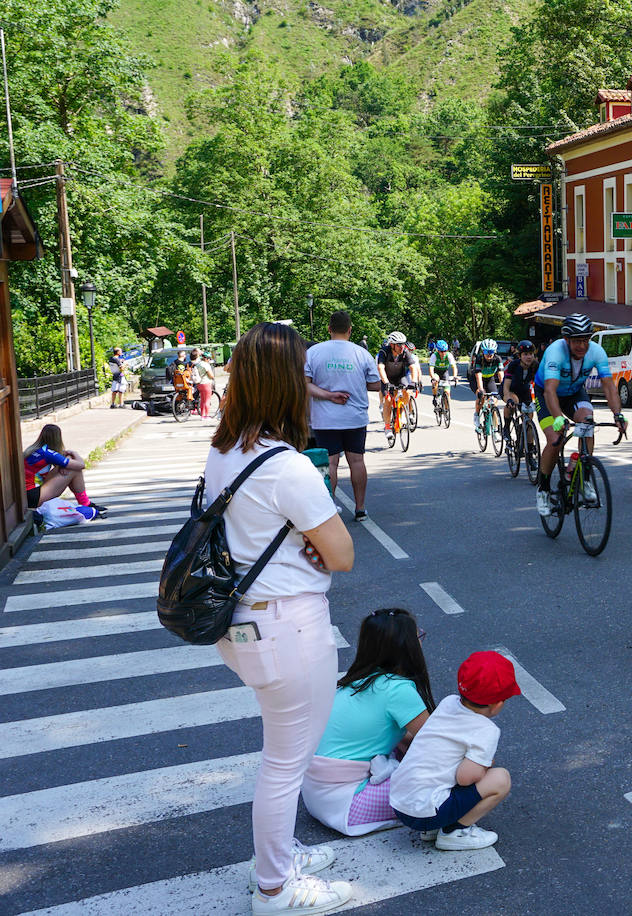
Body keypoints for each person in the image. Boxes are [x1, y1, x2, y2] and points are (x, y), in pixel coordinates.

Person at [206, 321, 355, 915]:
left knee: (281, 752)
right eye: (301, 373)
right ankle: (274, 886)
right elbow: (342, 554)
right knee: (285, 761)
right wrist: (311, 538)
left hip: (245, 623)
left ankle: (280, 855)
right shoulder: (287, 466)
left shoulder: (224, 449)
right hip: (288, 627)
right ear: (286, 384)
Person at [301, 608, 435, 837]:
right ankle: (451, 829)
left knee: (406, 746)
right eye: (417, 637)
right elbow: (438, 742)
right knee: (448, 782)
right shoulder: (398, 689)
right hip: (348, 805)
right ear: (406, 647)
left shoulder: (355, 681)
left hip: (316, 796)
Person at [388, 651, 519, 851]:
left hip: (400, 803)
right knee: (501, 779)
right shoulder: (486, 730)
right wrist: (484, 765)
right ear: (498, 704)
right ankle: (454, 831)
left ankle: (431, 829)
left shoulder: (448, 702)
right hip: (424, 812)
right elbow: (465, 778)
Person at [533, 314, 628, 517]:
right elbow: (550, 391)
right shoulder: (555, 352)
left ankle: (583, 477)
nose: (582, 346)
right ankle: (543, 489)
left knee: (587, 422)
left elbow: (609, 385)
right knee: (555, 439)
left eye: (585, 340)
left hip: (574, 392)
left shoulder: (596, 352)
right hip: (547, 394)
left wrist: (618, 414)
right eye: (577, 341)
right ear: (566, 340)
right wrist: (558, 417)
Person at [306, 310, 382, 522]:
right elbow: (376, 385)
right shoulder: (361, 353)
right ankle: (360, 508)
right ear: (350, 330)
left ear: (329, 328)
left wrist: (329, 395)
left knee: (330, 463)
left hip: (324, 418)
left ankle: (328, 509)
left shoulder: (314, 352)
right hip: (354, 417)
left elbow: (304, 384)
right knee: (356, 461)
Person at [23, 424, 103, 514]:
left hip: (26, 494)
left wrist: (64, 464)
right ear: (58, 438)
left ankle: (85, 503)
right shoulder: (48, 453)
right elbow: (81, 465)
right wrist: (73, 453)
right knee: (74, 470)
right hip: (33, 497)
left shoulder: (34, 449)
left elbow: (62, 457)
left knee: (70, 465)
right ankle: (85, 503)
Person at [376, 331, 420, 429]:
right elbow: (381, 368)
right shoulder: (384, 352)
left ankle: (403, 412)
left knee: (408, 392)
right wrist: (386, 382)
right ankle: (387, 427)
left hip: (400, 377)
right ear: (392, 345)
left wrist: (414, 381)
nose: (402, 347)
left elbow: (413, 367)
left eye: (403, 344)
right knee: (388, 400)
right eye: (399, 345)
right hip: (387, 378)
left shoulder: (405, 352)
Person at [501, 340, 538, 431]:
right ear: (520, 356)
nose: (529, 357)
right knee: (513, 402)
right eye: (525, 354)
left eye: (531, 354)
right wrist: (508, 398)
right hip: (510, 389)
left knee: (529, 418)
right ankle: (506, 428)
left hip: (523, 391)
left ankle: (528, 443)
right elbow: (506, 385)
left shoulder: (535, 365)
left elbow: (539, 385)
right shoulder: (514, 365)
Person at [469, 339, 504, 432]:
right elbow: (478, 376)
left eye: (491, 352)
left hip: (489, 379)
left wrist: (504, 387)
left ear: (495, 351)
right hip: (477, 379)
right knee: (481, 396)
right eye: (486, 352)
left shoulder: (497, 359)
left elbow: (501, 374)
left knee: (494, 402)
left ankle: (495, 429)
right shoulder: (479, 359)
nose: (489, 354)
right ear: (483, 352)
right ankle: (476, 414)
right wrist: (480, 389)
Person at [428, 340, 457, 414]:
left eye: (445, 351)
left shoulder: (449, 355)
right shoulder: (434, 356)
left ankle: (446, 409)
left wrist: (455, 376)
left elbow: (454, 367)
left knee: (447, 392)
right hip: (436, 371)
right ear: (438, 350)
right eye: (441, 351)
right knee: (436, 381)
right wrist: (433, 377)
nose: (443, 353)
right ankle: (435, 397)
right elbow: (431, 368)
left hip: (444, 372)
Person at [189, 348, 216, 418]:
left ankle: (202, 415)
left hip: (199, 384)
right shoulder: (206, 365)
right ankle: (206, 416)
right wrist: (213, 377)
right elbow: (211, 375)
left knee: (202, 400)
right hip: (206, 383)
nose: (209, 360)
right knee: (207, 400)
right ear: (206, 358)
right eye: (209, 359)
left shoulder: (198, 364)